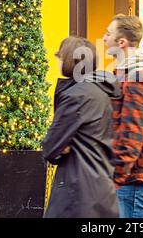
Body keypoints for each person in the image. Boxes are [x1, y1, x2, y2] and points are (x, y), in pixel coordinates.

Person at [42, 36, 120, 218]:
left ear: (70, 62)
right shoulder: (101, 91)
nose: (58, 63)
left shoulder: (75, 96)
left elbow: (50, 147)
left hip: (77, 190)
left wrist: (64, 147)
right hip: (101, 186)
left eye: (60, 58)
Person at [103, 14, 143, 218]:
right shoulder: (129, 74)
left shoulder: (137, 77)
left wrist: (116, 178)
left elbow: (132, 133)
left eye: (108, 34)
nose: (104, 38)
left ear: (121, 42)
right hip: (133, 175)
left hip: (134, 177)